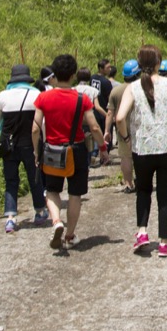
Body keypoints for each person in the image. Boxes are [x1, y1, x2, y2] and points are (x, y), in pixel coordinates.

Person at [115, 46, 167, 257]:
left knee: (143, 191)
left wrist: (126, 137)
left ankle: (142, 232)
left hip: (142, 149)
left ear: (139, 63)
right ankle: (164, 243)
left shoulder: (132, 87)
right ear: (159, 63)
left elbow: (119, 117)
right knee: (164, 195)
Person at [32, 54, 110, 250]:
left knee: (52, 191)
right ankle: (69, 236)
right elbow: (93, 127)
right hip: (75, 150)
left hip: (51, 150)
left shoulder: (43, 97)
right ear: (74, 75)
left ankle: (57, 220)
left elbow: (35, 128)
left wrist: (36, 151)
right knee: (75, 194)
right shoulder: (82, 99)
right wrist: (102, 148)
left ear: (55, 75)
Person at [0, 64, 48, 233]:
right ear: (28, 78)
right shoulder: (36, 94)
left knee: (11, 181)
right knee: (34, 178)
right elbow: (41, 123)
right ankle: (39, 212)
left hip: (8, 146)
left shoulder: (3, 95)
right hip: (31, 144)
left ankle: (10, 218)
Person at [107, 59, 140, 193]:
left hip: (122, 130)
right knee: (140, 157)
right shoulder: (141, 89)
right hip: (139, 129)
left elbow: (110, 113)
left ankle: (128, 184)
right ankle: (141, 181)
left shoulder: (116, 91)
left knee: (125, 157)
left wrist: (106, 131)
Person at [75, 67, 108, 167]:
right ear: (89, 78)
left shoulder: (73, 89)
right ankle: (88, 162)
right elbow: (97, 107)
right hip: (88, 120)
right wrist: (108, 115)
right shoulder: (93, 90)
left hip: (76, 121)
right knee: (89, 142)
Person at [90, 58, 113, 144]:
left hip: (94, 111)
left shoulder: (92, 78)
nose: (110, 69)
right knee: (106, 136)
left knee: (96, 136)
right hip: (104, 111)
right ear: (101, 68)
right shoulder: (106, 82)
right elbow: (110, 98)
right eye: (108, 67)